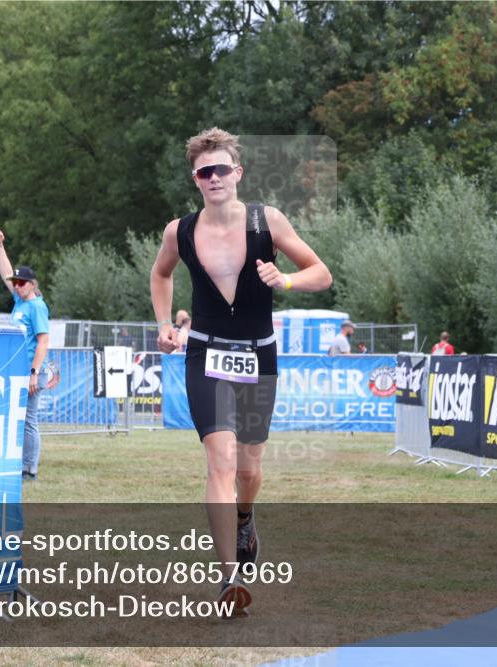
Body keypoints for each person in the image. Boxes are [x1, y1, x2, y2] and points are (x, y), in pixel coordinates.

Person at [150, 127, 332, 616]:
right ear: (196, 179)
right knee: (221, 463)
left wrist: (285, 278)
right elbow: (160, 273)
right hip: (205, 353)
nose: (214, 178)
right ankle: (229, 577)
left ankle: (246, 517)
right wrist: (165, 324)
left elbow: (322, 272)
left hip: (258, 354)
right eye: (204, 172)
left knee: (249, 470)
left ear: (238, 173)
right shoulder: (180, 231)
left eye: (221, 169)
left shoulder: (266, 221)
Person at [0, 226, 50, 481]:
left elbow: (43, 340)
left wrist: (34, 373)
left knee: (28, 421)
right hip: (19, 371)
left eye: (21, 282)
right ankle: (20, 465)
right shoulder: (20, 302)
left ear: (32, 284)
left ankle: (29, 470)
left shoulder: (36, 306)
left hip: (31, 372)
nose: (17, 286)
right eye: (16, 283)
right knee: (19, 419)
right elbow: (6, 274)